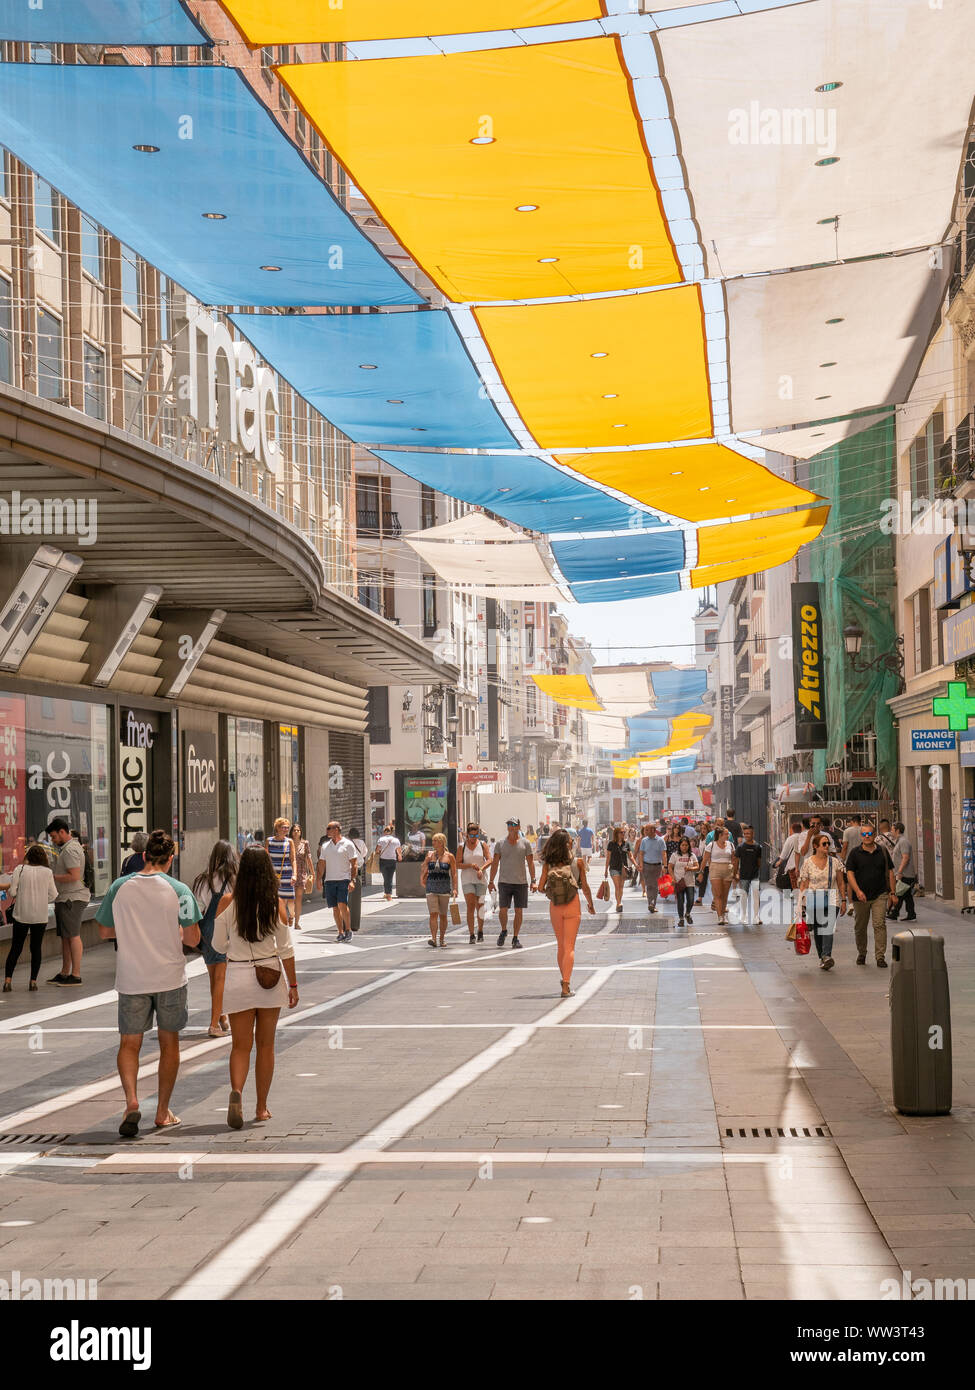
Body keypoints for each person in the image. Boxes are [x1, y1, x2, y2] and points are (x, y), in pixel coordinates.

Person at [95, 829, 201, 1137]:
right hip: (169, 977)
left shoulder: (119, 888)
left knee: (129, 1043)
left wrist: (131, 930)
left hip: (131, 978)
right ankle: (162, 1112)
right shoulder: (179, 890)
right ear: (170, 859)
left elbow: (103, 932)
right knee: (169, 1043)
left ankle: (131, 1102)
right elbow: (194, 938)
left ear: (143, 856)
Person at [213, 846, 298, 1129]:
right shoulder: (275, 904)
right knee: (265, 1045)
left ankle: (237, 1091)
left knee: (240, 1045)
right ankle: (261, 1108)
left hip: (237, 975)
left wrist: (232, 948)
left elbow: (216, 945)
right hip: (269, 976)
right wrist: (293, 985)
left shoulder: (228, 902)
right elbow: (285, 949)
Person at [538, 828, 594, 998]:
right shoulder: (578, 862)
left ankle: (564, 979)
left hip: (555, 907)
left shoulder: (548, 864)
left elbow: (541, 888)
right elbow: (584, 887)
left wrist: (548, 889)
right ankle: (566, 985)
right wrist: (590, 904)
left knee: (561, 945)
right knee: (570, 946)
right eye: (570, 839)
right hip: (572, 904)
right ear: (567, 844)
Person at [192, 839, 238, 1038]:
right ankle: (214, 1025)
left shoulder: (203, 879)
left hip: (205, 929)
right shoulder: (234, 879)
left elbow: (197, 908)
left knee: (213, 977)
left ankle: (221, 1016)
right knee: (221, 978)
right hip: (223, 929)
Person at [3, 844, 57, 992]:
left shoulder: (19, 869)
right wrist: (40, 899)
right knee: (36, 948)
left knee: (16, 948)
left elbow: (13, 893)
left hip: (21, 915)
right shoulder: (47, 872)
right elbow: (53, 895)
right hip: (39, 916)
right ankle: (33, 982)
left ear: (28, 857)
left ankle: (8, 981)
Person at [47, 817, 90, 987]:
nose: (53, 840)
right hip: (66, 897)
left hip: (72, 897)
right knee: (66, 936)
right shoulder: (68, 848)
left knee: (72, 936)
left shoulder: (71, 850)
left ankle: (76, 974)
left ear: (62, 832)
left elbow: (74, 876)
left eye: (54, 836)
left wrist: (52, 877)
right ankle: (65, 972)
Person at [845, 825, 897, 967]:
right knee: (860, 927)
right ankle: (862, 953)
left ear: (874, 835)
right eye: (864, 834)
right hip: (860, 897)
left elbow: (891, 872)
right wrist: (857, 891)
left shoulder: (883, 851)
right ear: (861, 836)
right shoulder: (855, 853)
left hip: (880, 894)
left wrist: (893, 892)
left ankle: (880, 956)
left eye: (869, 833)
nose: (867, 836)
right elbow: (849, 873)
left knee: (879, 924)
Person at [798, 833, 845, 971]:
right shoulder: (807, 862)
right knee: (818, 931)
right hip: (813, 897)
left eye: (828, 844)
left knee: (828, 927)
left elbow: (841, 883)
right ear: (815, 846)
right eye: (824, 844)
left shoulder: (835, 862)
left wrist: (843, 900)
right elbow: (804, 884)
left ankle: (826, 956)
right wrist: (801, 903)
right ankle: (822, 957)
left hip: (832, 896)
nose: (827, 846)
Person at [489, 818, 536, 949]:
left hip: (521, 882)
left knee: (518, 911)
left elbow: (531, 863)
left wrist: (533, 881)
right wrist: (491, 881)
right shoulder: (500, 843)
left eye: (513, 824)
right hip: (504, 881)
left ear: (518, 826)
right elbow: (495, 863)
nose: (510, 826)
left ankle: (515, 938)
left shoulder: (525, 843)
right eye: (509, 824)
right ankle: (504, 930)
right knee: (503, 910)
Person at [316, 821, 358, 943]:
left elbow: (354, 864)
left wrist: (352, 880)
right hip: (329, 880)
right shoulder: (325, 846)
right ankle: (340, 932)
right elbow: (321, 864)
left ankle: (348, 930)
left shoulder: (348, 844)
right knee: (335, 908)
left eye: (329, 828)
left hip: (343, 879)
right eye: (327, 828)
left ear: (337, 829)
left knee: (342, 905)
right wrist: (319, 879)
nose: (327, 830)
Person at [420, 832, 458, 948]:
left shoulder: (450, 856)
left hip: (444, 889)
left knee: (443, 915)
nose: (433, 843)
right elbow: (423, 868)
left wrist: (455, 889)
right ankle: (433, 938)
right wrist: (425, 865)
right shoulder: (430, 854)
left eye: (435, 841)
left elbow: (454, 873)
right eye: (433, 841)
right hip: (431, 887)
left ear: (441, 842)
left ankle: (442, 938)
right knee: (433, 914)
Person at [457, 822, 490, 944]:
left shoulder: (482, 845)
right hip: (467, 879)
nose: (473, 838)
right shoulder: (462, 846)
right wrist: (470, 865)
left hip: (481, 879)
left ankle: (480, 931)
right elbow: (457, 864)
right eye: (471, 836)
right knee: (470, 905)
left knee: (480, 906)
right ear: (467, 835)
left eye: (476, 836)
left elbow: (489, 859)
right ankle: (471, 934)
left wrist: (482, 869)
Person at [701, 826, 736, 925]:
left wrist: (736, 871)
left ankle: (723, 915)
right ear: (720, 835)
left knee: (725, 895)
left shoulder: (731, 845)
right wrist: (701, 872)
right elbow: (704, 859)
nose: (728, 835)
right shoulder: (711, 845)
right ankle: (720, 916)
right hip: (715, 869)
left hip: (728, 869)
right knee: (718, 894)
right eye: (726, 834)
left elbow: (734, 859)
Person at [266, 818, 297, 926]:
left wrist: (294, 875)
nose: (286, 830)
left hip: (287, 874)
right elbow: (266, 858)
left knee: (290, 901)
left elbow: (293, 859)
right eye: (283, 827)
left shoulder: (289, 842)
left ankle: (292, 915)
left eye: (287, 828)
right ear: (277, 828)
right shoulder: (269, 841)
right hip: (273, 875)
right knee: (278, 899)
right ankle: (281, 919)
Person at [888, 822, 918, 923]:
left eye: (892, 830)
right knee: (906, 895)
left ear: (897, 830)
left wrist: (899, 871)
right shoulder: (899, 841)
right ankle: (910, 913)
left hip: (905, 874)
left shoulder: (903, 842)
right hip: (903, 873)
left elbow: (905, 857)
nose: (891, 832)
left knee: (899, 893)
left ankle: (895, 913)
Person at [734, 825, 763, 925]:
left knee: (756, 896)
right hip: (743, 875)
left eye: (748, 833)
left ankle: (756, 916)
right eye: (745, 833)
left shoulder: (758, 847)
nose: (746, 835)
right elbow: (736, 861)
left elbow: (759, 861)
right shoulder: (740, 847)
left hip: (755, 875)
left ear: (753, 834)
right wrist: (736, 873)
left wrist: (757, 871)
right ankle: (743, 916)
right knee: (744, 896)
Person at [669, 836, 699, 928]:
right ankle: (681, 919)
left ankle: (688, 913)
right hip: (679, 881)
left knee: (690, 899)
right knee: (680, 901)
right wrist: (673, 878)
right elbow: (670, 867)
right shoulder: (675, 855)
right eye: (682, 845)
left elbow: (697, 866)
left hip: (690, 881)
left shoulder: (692, 855)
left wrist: (690, 868)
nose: (684, 847)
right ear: (680, 846)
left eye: (686, 845)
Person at [635, 823, 665, 913]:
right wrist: (641, 865)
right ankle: (650, 903)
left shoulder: (660, 840)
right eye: (645, 830)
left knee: (655, 886)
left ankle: (653, 904)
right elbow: (641, 853)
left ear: (653, 830)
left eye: (647, 830)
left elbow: (664, 854)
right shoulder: (644, 840)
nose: (645, 832)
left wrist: (665, 865)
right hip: (646, 865)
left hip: (657, 866)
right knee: (649, 885)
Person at [290, 823, 313, 929]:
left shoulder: (305, 843)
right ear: (291, 832)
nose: (296, 832)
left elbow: (308, 858)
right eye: (294, 830)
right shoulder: (288, 842)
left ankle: (296, 922)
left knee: (298, 898)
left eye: (298, 830)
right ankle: (291, 916)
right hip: (289, 874)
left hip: (301, 874)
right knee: (290, 899)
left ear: (301, 832)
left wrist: (312, 873)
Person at [347, 827, 369, 935]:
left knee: (345, 899)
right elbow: (364, 854)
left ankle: (345, 923)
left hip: (346, 871)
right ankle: (355, 924)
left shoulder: (346, 843)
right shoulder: (361, 842)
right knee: (356, 900)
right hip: (358, 871)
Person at [605, 826, 632, 913]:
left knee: (621, 887)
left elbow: (630, 856)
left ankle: (619, 902)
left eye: (624, 832)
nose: (623, 834)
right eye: (621, 832)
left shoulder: (626, 844)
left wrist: (636, 865)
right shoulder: (611, 844)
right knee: (617, 886)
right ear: (616, 834)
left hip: (623, 868)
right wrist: (605, 870)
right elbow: (608, 857)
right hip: (614, 867)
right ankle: (619, 903)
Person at [375, 823, 402, 900]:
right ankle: (387, 893)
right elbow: (399, 850)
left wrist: (378, 852)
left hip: (383, 860)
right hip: (392, 860)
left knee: (385, 877)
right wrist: (400, 856)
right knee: (389, 877)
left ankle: (388, 894)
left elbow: (377, 850)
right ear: (391, 832)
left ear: (384, 831)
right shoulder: (396, 840)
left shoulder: (381, 839)